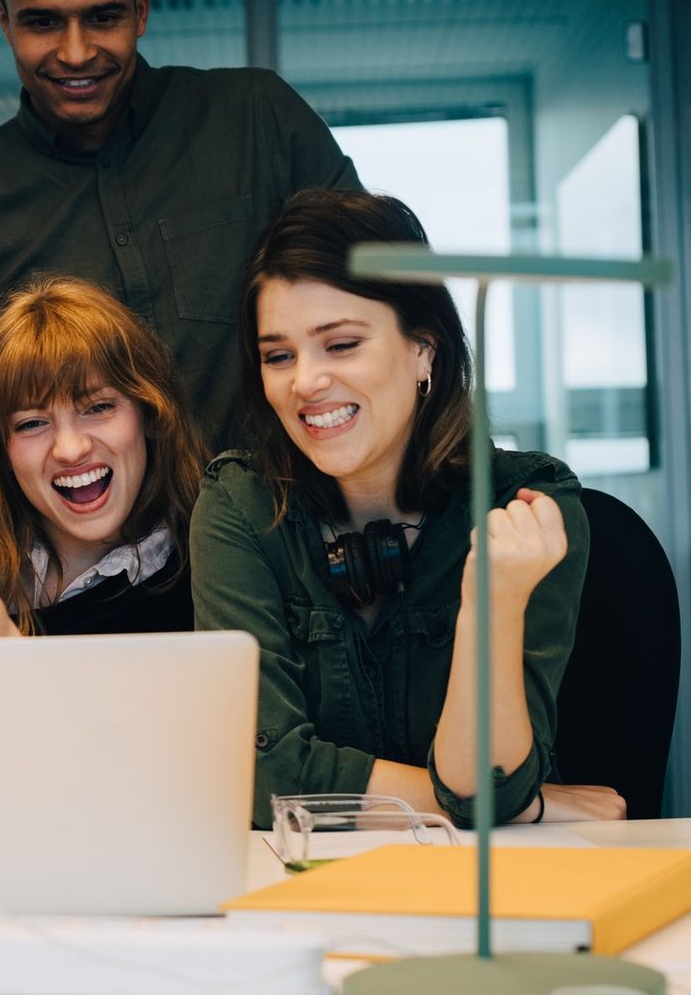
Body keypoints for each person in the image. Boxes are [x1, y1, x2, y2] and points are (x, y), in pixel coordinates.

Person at [191, 189, 628, 829]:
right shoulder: (241, 505)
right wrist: (531, 806)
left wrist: (490, 602)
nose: (304, 381)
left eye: (340, 344)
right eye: (278, 355)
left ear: (423, 349)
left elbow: (484, 787)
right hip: (309, 888)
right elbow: (258, 775)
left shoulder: (525, 504)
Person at [0, 0, 363, 456]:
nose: (75, 53)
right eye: (43, 22)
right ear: (4, 20)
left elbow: (377, 298)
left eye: (102, 17)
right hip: (81, 541)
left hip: (298, 529)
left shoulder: (257, 119)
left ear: (140, 11)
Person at [0, 277, 205, 637]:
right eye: (32, 423)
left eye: (98, 408)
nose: (70, 450)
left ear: (150, 413)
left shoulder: (206, 577)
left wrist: (4, 651)